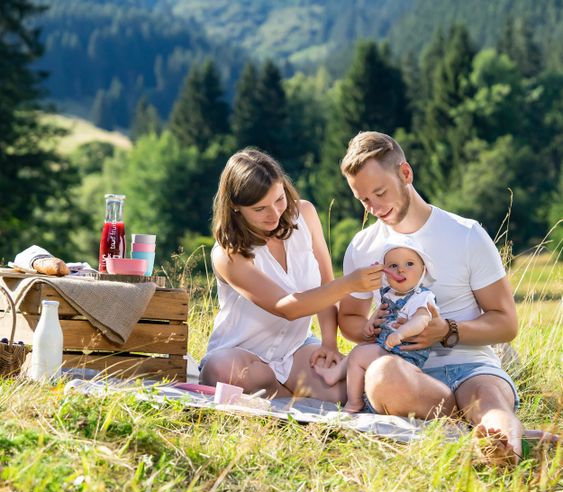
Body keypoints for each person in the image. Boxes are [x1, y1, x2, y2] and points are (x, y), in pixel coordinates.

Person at [337, 131, 526, 464]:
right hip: (407, 375)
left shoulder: (465, 234)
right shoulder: (363, 247)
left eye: (380, 192)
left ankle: (500, 442)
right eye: (364, 200)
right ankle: (472, 428)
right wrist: (367, 328)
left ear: (405, 174)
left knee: (488, 398)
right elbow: (349, 322)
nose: (375, 207)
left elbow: (506, 323)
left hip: (471, 367)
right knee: (381, 376)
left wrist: (448, 330)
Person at [200, 148, 384, 402]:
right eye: (260, 208)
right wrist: (350, 284)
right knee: (221, 371)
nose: (274, 214)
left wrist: (329, 343)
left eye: (279, 199)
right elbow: (286, 307)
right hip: (241, 354)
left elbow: (324, 283)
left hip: (295, 350)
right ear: (235, 208)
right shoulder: (228, 254)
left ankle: (277, 394)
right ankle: (285, 392)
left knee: (351, 391)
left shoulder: (305, 214)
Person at [316, 239, 439, 412]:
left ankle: (354, 402)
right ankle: (335, 373)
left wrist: (401, 334)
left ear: (423, 270)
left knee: (359, 355)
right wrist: (370, 324)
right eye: (393, 265)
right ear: (386, 273)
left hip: (405, 354)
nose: (401, 269)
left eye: (409, 264)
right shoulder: (388, 294)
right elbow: (379, 312)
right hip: (386, 346)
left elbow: (422, 320)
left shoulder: (422, 297)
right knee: (362, 346)